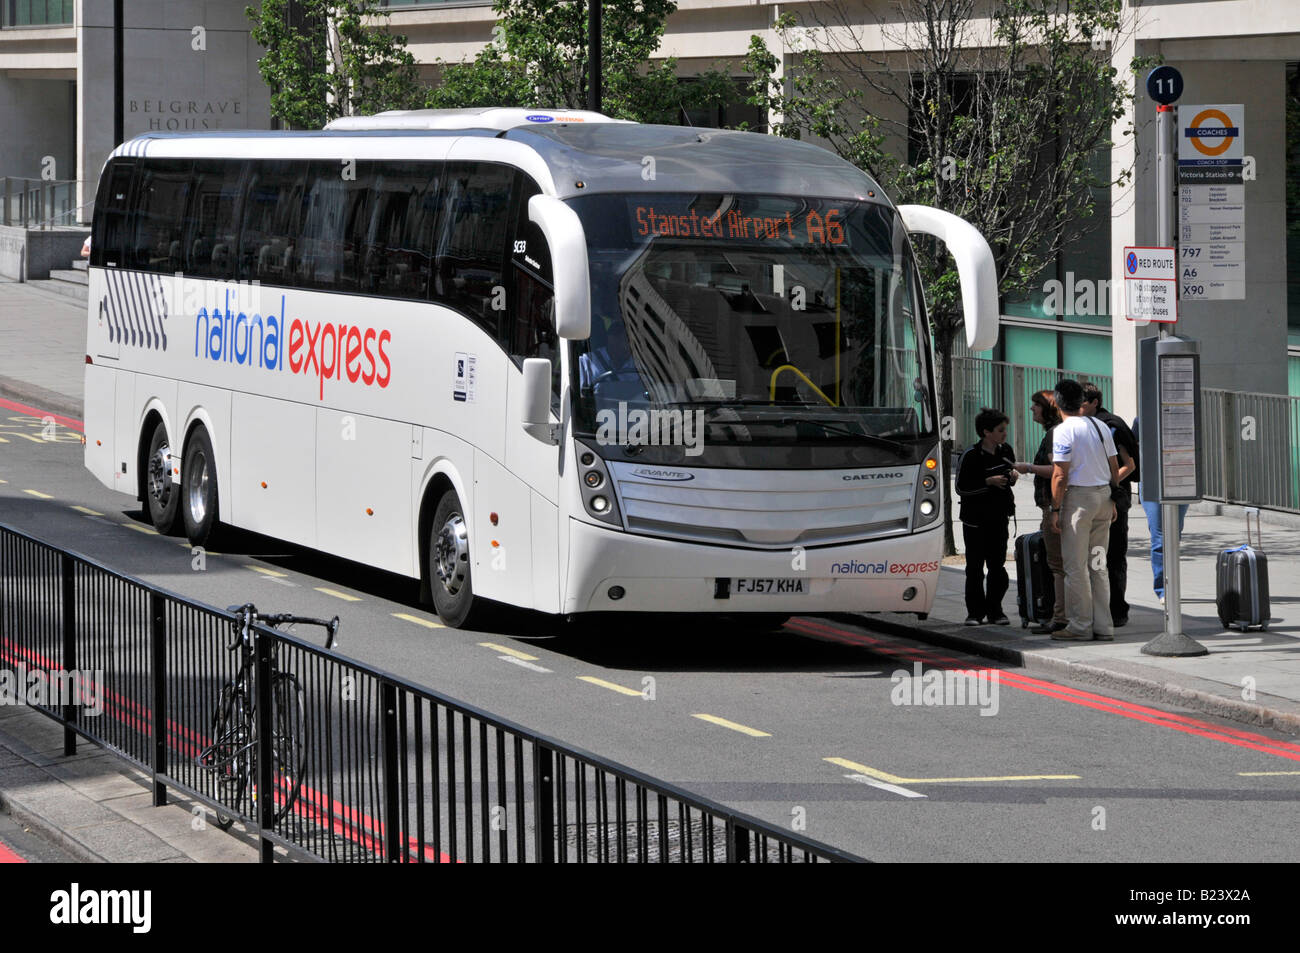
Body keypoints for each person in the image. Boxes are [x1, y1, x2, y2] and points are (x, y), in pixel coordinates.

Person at [1049, 379, 1120, 641]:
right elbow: (1114, 466)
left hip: (1080, 501)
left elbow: (1059, 475)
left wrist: (1055, 509)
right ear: (1081, 401)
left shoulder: (1064, 430)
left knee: (1076, 567)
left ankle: (1079, 626)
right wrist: (1113, 499)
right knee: (1098, 565)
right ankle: (1104, 626)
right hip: (1104, 498)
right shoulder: (1100, 426)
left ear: (1056, 403)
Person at [1081, 384, 1139, 626]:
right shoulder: (1082, 426)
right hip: (1095, 498)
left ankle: (1117, 610)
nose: (1079, 408)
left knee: (1113, 555)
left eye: (1083, 403)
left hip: (1114, 498)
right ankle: (1098, 608)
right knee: (1094, 556)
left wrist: (1107, 484)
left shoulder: (1111, 425)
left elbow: (1130, 465)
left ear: (1095, 402)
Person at [956, 408, 1019, 626]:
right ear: (986, 432)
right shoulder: (971, 455)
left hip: (999, 518)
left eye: (1005, 430)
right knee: (974, 568)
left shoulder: (1006, 451)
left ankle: (995, 610)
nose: (1004, 434)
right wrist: (987, 482)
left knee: (997, 567)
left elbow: (1010, 477)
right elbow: (961, 487)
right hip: (975, 521)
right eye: (1000, 430)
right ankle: (974, 613)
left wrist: (1012, 478)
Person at [1012, 391, 1066, 633]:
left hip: (1054, 505)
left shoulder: (1055, 433)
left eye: (1037, 405)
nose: (1032, 409)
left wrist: (1028, 468)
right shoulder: (1056, 431)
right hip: (1055, 504)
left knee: (1057, 564)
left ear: (1049, 408)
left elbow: (1057, 470)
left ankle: (1061, 617)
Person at [1132, 418, 1188, 604]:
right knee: (1160, 537)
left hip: (1179, 480)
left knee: (1175, 535)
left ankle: (1172, 583)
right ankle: (1163, 589)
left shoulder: (1184, 416)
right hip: (1152, 483)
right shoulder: (1142, 419)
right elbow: (1135, 449)